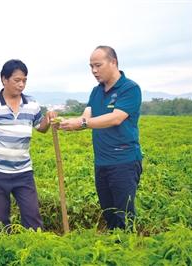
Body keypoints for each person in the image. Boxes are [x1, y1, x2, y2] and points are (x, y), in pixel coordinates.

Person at [58, 46, 142, 230]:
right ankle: (113, 252)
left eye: (98, 65)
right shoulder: (96, 91)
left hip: (124, 162)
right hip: (102, 162)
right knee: (109, 213)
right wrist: (66, 123)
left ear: (113, 62)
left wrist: (82, 124)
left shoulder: (130, 88)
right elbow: (86, 117)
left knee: (124, 216)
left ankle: (129, 252)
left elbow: (116, 118)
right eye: (91, 67)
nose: (94, 71)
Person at [0, 59, 56, 232]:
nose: (21, 85)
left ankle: (34, 251)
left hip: (23, 171)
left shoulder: (32, 104)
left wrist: (47, 120)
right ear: (4, 79)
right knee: (0, 221)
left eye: (24, 80)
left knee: (32, 217)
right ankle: (6, 253)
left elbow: (40, 128)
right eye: (17, 80)